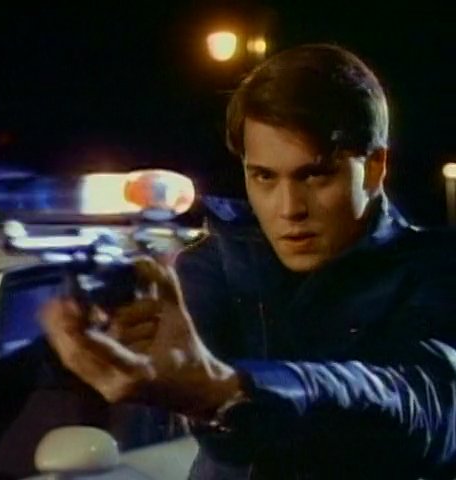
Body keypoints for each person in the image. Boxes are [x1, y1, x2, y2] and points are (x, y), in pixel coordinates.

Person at [41, 43, 456, 479]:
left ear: (374, 167)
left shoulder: (434, 271)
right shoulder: (219, 261)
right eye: (264, 176)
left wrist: (225, 391)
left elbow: (424, 405)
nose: (289, 208)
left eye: (314, 175)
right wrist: (100, 333)